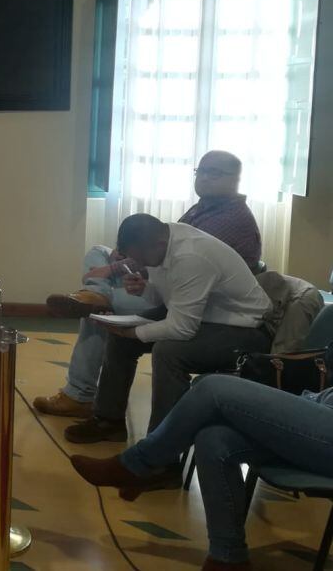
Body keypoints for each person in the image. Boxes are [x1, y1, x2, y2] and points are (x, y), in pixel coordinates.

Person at [35, 150, 262, 418]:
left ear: (236, 179)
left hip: (215, 316)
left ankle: (80, 393)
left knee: (100, 316)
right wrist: (138, 275)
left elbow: (172, 266)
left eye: (213, 172)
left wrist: (118, 267)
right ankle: (95, 296)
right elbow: (162, 258)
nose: (203, 178)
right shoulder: (201, 209)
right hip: (180, 295)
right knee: (98, 254)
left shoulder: (231, 221)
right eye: (200, 171)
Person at [70, 373, 333, 571]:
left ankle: (137, 465)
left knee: (213, 388)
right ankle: (227, 557)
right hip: (321, 407)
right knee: (213, 439)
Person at [63, 214, 272, 453]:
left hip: (246, 329)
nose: (138, 263)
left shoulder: (191, 257)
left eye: (140, 258)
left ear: (158, 245)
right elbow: (171, 300)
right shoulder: (162, 243)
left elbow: (182, 328)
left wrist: (134, 333)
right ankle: (108, 420)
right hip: (208, 318)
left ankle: (160, 453)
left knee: (168, 352)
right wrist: (145, 290)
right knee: (120, 337)